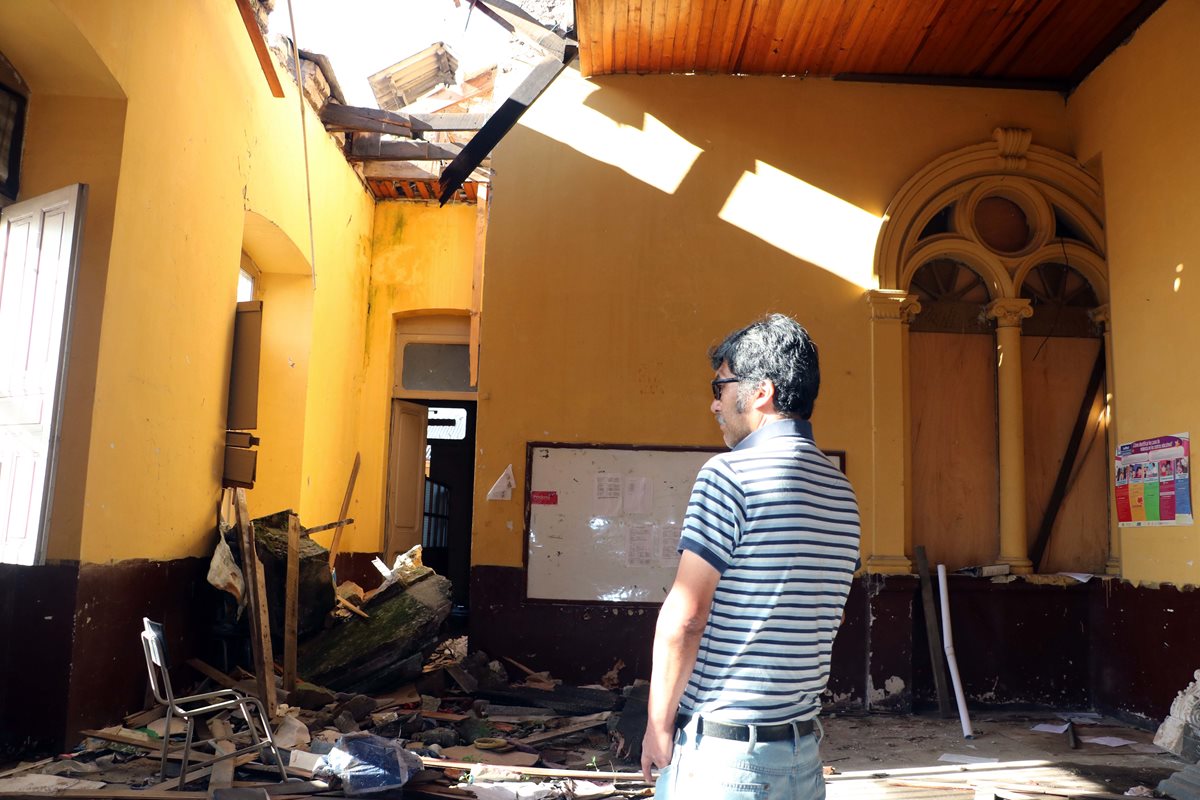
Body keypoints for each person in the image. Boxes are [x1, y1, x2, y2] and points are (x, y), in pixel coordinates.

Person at [641, 314, 861, 799]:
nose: (714, 403)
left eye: (720, 386)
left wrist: (658, 723)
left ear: (761, 391)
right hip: (802, 757)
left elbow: (686, 615)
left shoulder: (728, 475)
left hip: (726, 762)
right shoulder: (842, 492)